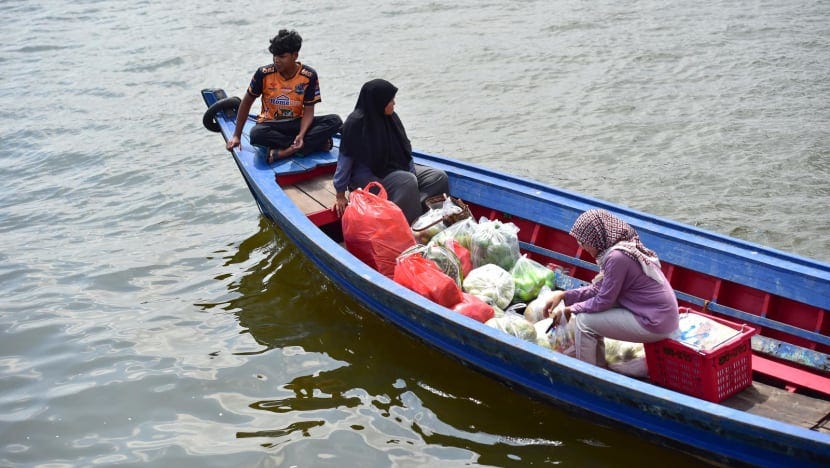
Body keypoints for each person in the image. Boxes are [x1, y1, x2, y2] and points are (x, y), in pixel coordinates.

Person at [542, 209, 679, 367]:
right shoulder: (620, 251)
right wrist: (564, 295)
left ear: (596, 239)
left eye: (584, 242)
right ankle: (599, 369)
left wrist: (571, 309)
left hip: (655, 321)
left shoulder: (617, 258)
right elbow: (598, 290)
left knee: (583, 321)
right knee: (588, 317)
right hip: (659, 315)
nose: (582, 247)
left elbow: (604, 300)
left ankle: (586, 374)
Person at [332, 79, 449, 224]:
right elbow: (345, 160)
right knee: (407, 181)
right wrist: (340, 194)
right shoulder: (355, 123)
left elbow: (405, 149)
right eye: (391, 100)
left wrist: (412, 172)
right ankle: (412, 226)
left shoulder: (391, 118)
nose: (394, 103)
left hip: (393, 168)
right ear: (379, 101)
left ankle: (425, 216)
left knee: (438, 177)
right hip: (367, 178)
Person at [226, 29, 342, 163]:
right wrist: (236, 136)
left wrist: (301, 134)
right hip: (271, 125)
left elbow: (309, 110)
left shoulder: (308, 76)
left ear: (295, 55)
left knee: (335, 120)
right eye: (274, 56)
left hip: (296, 123)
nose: (276, 60)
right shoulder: (263, 73)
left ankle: (286, 151)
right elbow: (246, 103)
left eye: (282, 57)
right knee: (256, 135)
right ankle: (306, 146)